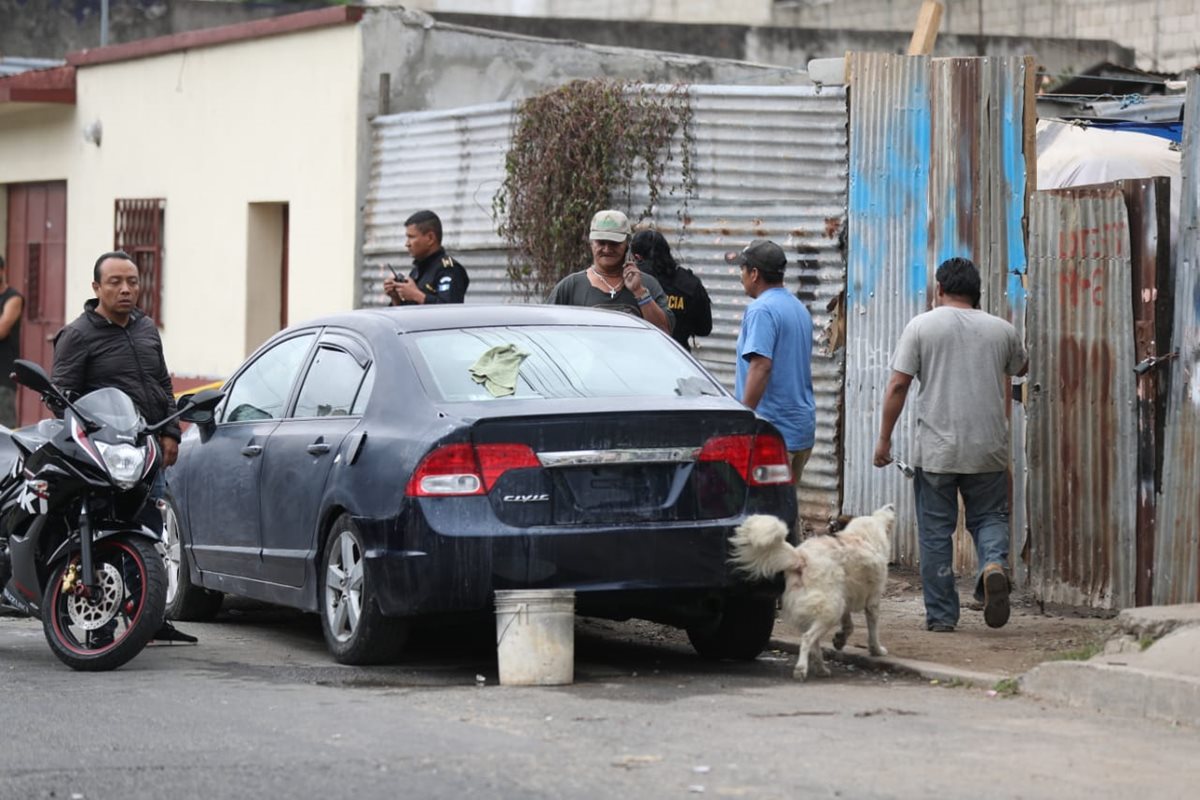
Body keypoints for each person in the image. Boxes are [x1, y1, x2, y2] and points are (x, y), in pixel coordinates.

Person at [872, 256, 1027, 633]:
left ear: (938, 290)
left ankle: (942, 617)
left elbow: (898, 385)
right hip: (987, 449)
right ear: (978, 294)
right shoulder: (1001, 329)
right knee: (990, 517)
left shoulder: (922, 326)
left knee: (935, 533)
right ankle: (992, 564)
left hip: (937, 453)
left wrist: (884, 439)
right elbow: (1021, 367)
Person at [50, 250, 197, 644]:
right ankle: (101, 629)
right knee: (107, 536)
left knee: (150, 535)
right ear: (96, 287)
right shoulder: (77, 335)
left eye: (132, 281)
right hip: (105, 456)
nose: (126, 289)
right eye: (115, 282)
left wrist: (172, 433)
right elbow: (60, 396)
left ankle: (151, 620)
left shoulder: (146, 328)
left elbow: (162, 384)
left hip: (146, 451)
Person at [729, 239, 816, 490]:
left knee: (763, 516)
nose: (740, 276)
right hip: (800, 431)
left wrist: (745, 418)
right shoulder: (797, 308)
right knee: (784, 512)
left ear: (754, 274)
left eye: (742, 270)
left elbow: (761, 366)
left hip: (772, 434)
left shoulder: (761, 310)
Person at [545, 209, 674, 336]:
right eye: (601, 243)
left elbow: (664, 332)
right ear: (591, 244)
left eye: (614, 243)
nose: (607, 249)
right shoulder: (571, 287)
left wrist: (640, 292)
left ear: (627, 245)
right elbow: (546, 332)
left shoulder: (646, 284)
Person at [630, 230, 712, 351]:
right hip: (677, 360)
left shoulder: (630, 282)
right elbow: (704, 329)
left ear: (637, 257)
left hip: (636, 358)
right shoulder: (690, 283)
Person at [383, 210, 469, 305]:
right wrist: (396, 297)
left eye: (411, 237)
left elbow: (449, 311)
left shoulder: (449, 270)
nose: (407, 244)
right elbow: (407, 315)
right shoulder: (417, 270)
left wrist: (416, 295)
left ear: (430, 238)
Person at [0, 255, 25, 429]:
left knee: (5, 430)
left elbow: (2, 330)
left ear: (2, 271)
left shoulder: (13, 298)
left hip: (3, 376)